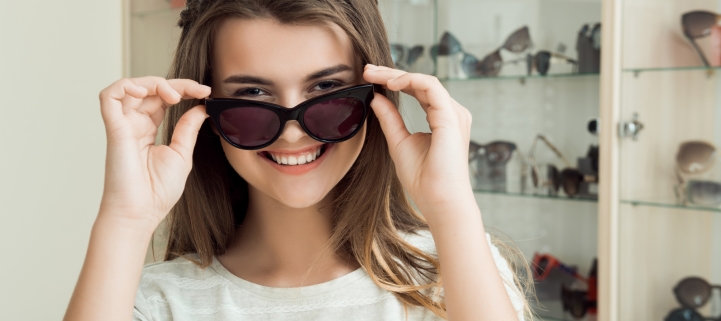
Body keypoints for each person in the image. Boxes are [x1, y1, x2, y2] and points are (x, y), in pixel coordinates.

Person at [64, 0, 532, 320]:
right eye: (252, 95)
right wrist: (125, 219)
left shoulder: (458, 270)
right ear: (205, 113)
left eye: (327, 91)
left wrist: (451, 206)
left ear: (376, 97)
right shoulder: (156, 302)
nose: (293, 131)